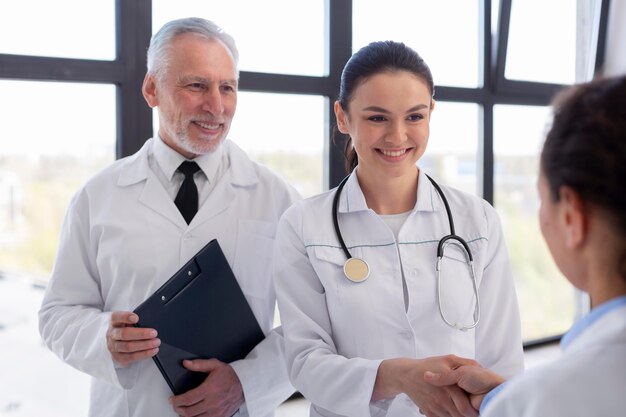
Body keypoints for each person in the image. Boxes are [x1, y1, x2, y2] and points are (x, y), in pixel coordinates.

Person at [38, 17, 299, 417]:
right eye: (196, 85)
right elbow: (57, 315)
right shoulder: (98, 196)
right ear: (151, 88)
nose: (216, 106)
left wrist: (247, 383)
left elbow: (315, 325)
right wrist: (102, 338)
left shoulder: (278, 198)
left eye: (227, 87)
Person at [272, 40, 524, 417]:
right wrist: (398, 376)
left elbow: (503, 361)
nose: (397, 136)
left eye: (414, 117)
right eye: (377, 118)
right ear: (343, 117)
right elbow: (306, 363)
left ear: (431, 113)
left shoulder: (477, 221)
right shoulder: (304, 225)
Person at [424, 74, 626, 416]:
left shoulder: (546, 400)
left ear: (572, 218)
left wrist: (509, 403)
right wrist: (502, 396)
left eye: (541, 198)